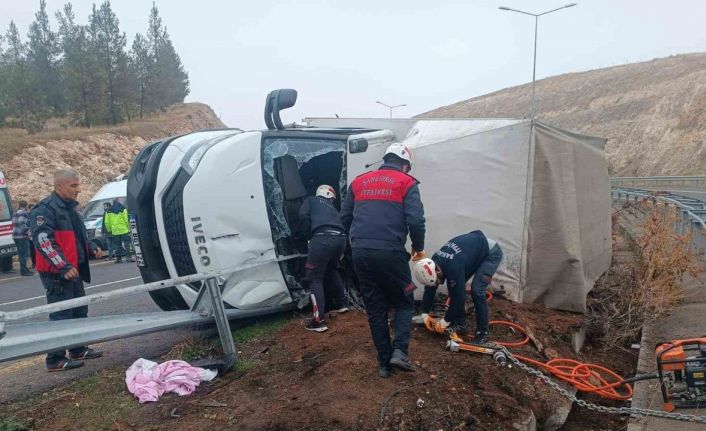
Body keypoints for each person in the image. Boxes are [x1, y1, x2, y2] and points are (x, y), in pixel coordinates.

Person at [340, 143, 426, 378]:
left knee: (375, 308)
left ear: (385, 159)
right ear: (405, 165)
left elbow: (344, 218)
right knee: (404, 301)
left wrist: (350, 249)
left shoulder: (358, 182)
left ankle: (384, 365)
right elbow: (416, 221)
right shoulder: (406, 183)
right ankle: (400, 351)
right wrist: (418, 248)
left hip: (360, 253)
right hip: (390, 252)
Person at [30, 169, 103, 371]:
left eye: (78, 185)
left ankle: (78, 348)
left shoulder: (72, 209)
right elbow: (44, 242)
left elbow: (81, 235)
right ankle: (54, 359)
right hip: (57, 273)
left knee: (79, 310)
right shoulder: (44, 210)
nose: (78, 190)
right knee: (61, 315)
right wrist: (62, 266)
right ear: (59, 186)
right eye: (73, 186)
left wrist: (91, 247)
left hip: (74, 270)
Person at [413, 231, 503, 344]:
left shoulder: (452, 267)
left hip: (491, 252)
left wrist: (445, 321)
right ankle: (461, 324)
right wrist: (424, 312)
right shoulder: (433, 262)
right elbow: (431, 287)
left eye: (437, 280)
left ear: (438, 271)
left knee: (477, 290)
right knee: (455, 288)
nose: (437, 283)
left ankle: (482, 332)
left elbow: (459, 297)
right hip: (471, 251)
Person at [299, 184, 349, 332]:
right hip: (341, 240)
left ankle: (318, 321)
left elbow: (302, 216)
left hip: (322, 238)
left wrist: (307, 235)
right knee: (332, 270)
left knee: (314, 278)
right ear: (330, 196)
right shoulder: (332, 208)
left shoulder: (311, 200)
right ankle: (342, 304)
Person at [105, 198, 133, 263]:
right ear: (118, 200)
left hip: (115, 231)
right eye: (120, 200)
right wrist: (128, 228)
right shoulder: (123, 208)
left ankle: (119, 259)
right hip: (124, 229)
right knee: (127, 244)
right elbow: (126, 219)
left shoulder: (108, 210)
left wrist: (110, 230)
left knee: (117, 245)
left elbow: (107, 222)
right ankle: (128, 258)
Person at [12, 200, 33, 276]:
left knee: (21, 254)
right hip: (22, 236)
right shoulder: (24, 213)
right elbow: (22, 224)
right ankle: (24, 271)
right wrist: (28, 233)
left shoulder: (14, 213)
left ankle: (24, 269)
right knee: (24, 254)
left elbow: (14, 223)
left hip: (15, 235)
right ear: (26, 206)